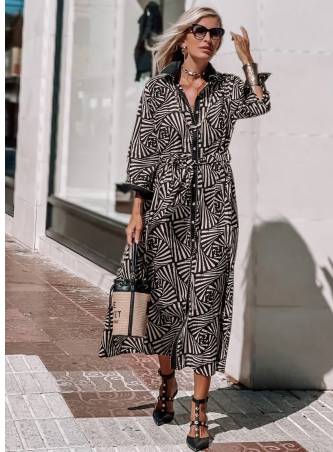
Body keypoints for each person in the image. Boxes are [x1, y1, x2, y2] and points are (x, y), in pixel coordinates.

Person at [100, 6, 271, 451]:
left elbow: (262, 102)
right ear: (184, 36)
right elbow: (142, 149)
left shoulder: (229, 88)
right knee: (166, 303)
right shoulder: (157, 90)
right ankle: (166, 380)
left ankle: (199, 407)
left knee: (207, 303)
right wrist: (137, 210)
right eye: (201, 30)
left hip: (216, 209)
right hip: (166, 207)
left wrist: (248, 58)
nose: (209, 38)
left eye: (216, 33)